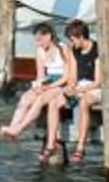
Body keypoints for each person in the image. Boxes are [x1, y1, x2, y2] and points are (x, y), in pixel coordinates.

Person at [5, 23, 72, 156]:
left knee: (40, 100)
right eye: (36, 40)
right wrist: (38, 86)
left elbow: (66, 76)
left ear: (48, 36)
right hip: (48, 80)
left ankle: (19, 128)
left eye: (40, 39)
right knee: (25, 98)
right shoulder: (40, 51)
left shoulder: (63, 49)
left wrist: (49, 86)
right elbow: (41, 75)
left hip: (60, 83)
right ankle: (13, 127)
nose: (38, 43)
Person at [64, 19, 103, 162]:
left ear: (81, 37)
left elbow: (98, 81)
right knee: (57, 98)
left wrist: (82, 89)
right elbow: (73, 76)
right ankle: (52, 143)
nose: (71, 43)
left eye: (73, 39)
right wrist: (71, 87)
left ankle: (80, 146)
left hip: (97, 88)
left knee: (84, 101)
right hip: (81, 86)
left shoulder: (97, 50)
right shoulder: (74, 51)